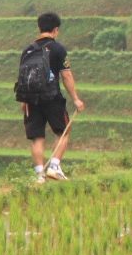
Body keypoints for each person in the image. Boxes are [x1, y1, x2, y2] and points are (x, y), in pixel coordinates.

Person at [21, 11, 86, 184]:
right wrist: (76, 99)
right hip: (52, 98)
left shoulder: (28, 50)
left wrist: (24, 101)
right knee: (63, 131)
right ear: (56, 30)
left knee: (37, 137)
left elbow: (23, 78)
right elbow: (66, 76)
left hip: (31, 99)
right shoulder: (58, 49)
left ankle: (39, 175)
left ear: (39, 28)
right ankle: (54, 166)